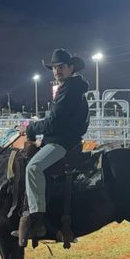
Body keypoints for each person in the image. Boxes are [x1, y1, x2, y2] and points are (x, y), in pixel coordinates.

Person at [21, 48, 90, 238]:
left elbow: (54, 121)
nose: (57, 71)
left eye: (61, 67)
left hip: (62, 143)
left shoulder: (69, 89)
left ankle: (37, 220)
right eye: (54, 68)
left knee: (33, 168)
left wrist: (31, 129)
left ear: (71, 68)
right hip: (64, 139)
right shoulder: (72, 88)